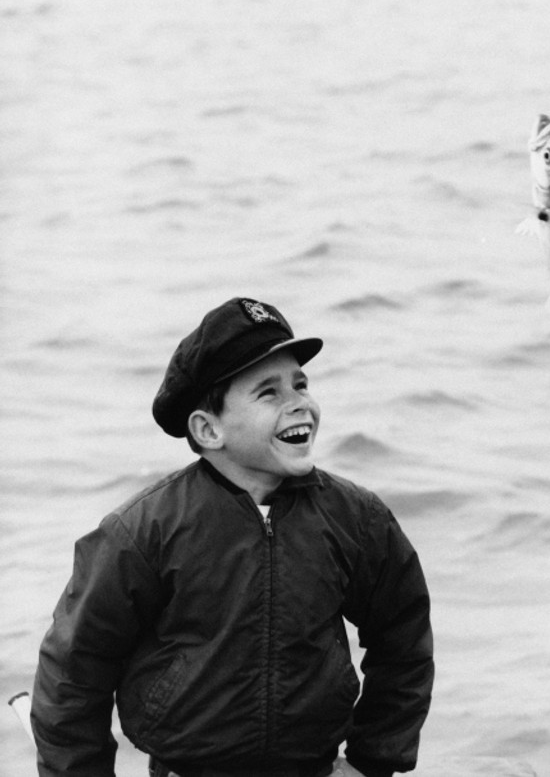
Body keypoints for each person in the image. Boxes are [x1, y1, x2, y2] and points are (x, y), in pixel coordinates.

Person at [31, 298, 434, 777]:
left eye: (300, 384)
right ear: (208, 428)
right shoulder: (143, 532)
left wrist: (371, 761)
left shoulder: (356, 519)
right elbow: (74, 673)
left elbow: (403, 638)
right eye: (269, 393)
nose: (299, 402)